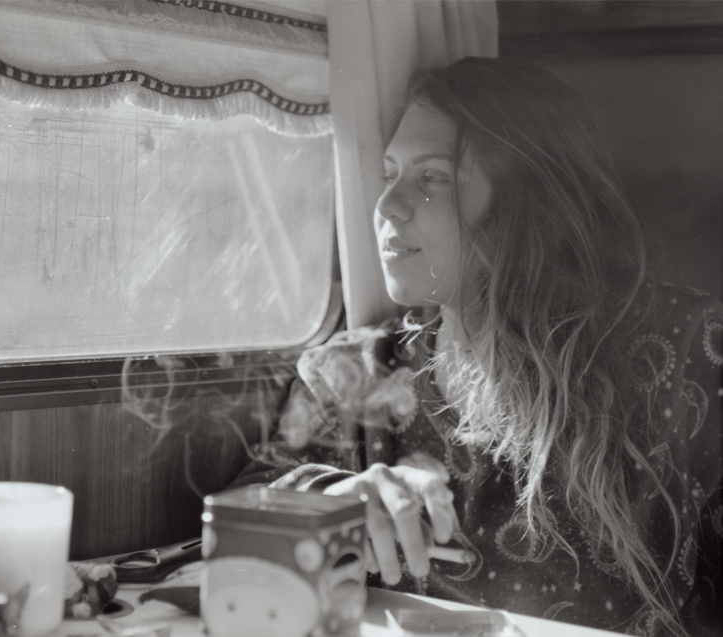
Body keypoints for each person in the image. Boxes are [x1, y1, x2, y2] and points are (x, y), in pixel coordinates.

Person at [233, 57, 722, 636]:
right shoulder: (353, 372)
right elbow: (237, 524)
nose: (387, 205)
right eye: (389, 173)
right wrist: (327, 496)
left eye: (432, 177)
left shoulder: (685, 348)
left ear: (528, 202)